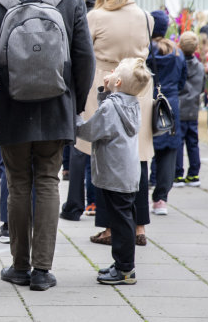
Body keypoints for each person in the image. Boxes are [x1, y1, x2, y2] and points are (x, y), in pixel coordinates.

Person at [0, 0, 95, 291]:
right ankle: (43, 271)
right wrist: (74, 101)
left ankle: (19, 266)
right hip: (57, 105)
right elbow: (85, 57)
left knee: (17, 185)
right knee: (47, 181)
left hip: (11, 106)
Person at [72, 0, 153, 247]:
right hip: (139, 87)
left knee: (104, 156)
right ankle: (140, 226)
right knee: (139, 158)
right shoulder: (145, 16)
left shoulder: (95, 17)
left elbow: (82, 53)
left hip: (105, 83)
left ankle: (109, 228)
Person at [76, 58, 151, 285]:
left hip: (114, 173)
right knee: (124, 219)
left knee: (121, 222)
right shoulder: (131, 102)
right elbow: (108, 118)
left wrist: (73, 119)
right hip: (126, 172)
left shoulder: (111, 106)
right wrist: (106, 92)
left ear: (117, 81)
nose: (109, 72)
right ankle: (121, 264)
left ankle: (125, 270)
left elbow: (91, 131)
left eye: (114, 71)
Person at [60, 0, 101, 222]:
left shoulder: (76, 9)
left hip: (80, 82)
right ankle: (96, 201)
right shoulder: (101, 14)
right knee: (100, 144)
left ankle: (74, 205)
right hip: (105, 81)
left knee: (79, 146)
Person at [148, 10, 187, 216]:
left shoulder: (145, 51)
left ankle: (138, 193)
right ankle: (161, 198)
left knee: (142, 149)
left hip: (147, 102)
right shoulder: (177, 53)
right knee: (169, 151)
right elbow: (182, 81)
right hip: (169, 103)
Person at [174, 32, 204, 186]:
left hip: (179, 108)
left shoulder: (177, 64)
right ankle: (193, 174)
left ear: (178, 45)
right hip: (193, 108)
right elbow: (202, 87)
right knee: (193, 143)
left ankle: (178, 174)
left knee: (178, 142)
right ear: (197, 48)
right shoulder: (200, 67)